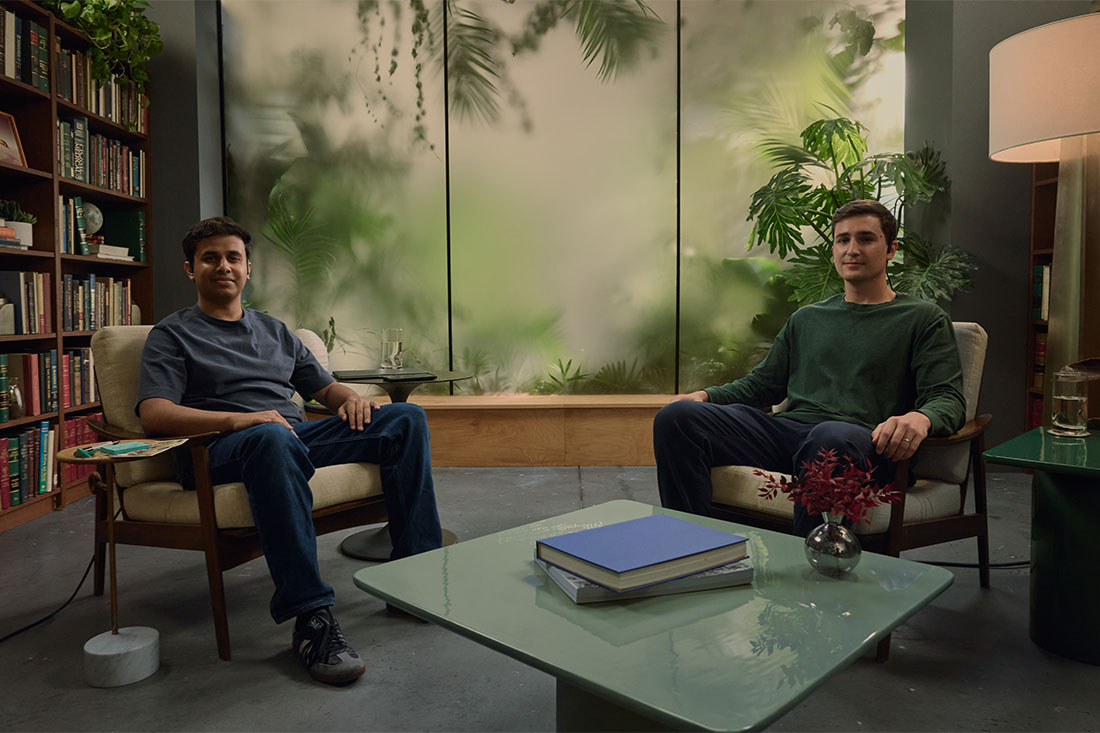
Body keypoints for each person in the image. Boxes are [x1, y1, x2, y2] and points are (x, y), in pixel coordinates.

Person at [136, 216, 443, 686]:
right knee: (273, 436)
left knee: (406, 418)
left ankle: (412, 578)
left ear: (248, 269)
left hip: (286, 440)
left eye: (233, 257)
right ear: (190, 269)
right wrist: (240, 419)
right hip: (218, 448)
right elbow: (154, 413)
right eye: (210, 258)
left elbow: (324, 388)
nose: (223, 266)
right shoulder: (172, 334)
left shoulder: (276, 331)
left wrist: (352, 400)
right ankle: (311, 620)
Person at [653, 199, 966, 536]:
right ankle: (690, 544)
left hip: (861, 444)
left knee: (829, 437)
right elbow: (763, 385)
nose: (852, 249)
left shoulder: (922, 318)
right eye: (842, 240)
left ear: (890, 249)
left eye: (865, 239)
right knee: (677, 418)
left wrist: (921, 418)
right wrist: (703, 396)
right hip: (790, 435)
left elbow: (948, 398)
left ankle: (812, 570)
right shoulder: (807, 318)